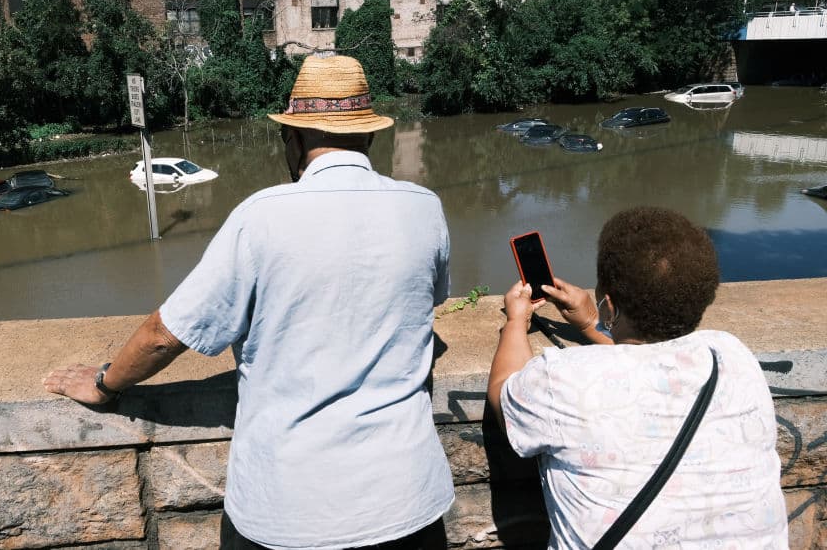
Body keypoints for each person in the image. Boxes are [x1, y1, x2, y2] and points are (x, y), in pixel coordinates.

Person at [45, 55, 454, 550]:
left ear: (295, 138)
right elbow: (419, 310)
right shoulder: (423, 208)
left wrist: (104, 383)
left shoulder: (261, 216)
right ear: (368, 136)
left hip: (288, 513)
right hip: (408, 505)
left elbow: (165, 334)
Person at [487, 207, 787, 549]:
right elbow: (652, 353)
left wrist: (515, 322)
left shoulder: (563, 379)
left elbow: (503, 392)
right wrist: (589, 323)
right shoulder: (731, 355)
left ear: (610, 306)